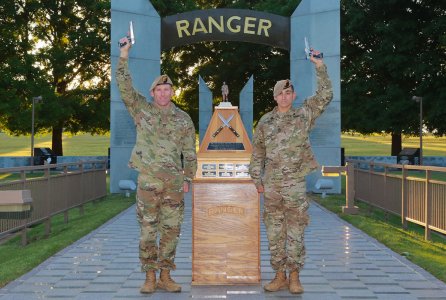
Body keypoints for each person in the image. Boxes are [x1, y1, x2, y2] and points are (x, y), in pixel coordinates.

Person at [116, 36, 197, 294]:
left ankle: (165, 275)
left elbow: (189, 152)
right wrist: (124, 56)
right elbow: (125, 87)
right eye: (159, 90)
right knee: (148, 230)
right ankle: (149, 276)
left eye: (168, 89)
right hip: (148, 181)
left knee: (171, 230)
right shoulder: (141, 110)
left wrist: (188, 178)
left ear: (173, 92)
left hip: (174, 183)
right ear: (152, 93)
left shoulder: (183, 119)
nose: (164, 93)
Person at [249, 50, 332, 294]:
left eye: (288, 93)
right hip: (272, 185)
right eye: (280, 94)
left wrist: (320, 66)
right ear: (274, 97)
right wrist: (257, 179)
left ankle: (294, 275)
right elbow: (258, 153)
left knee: (296, 230)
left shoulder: (303, 115)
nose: (284, 97)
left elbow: (326, 95)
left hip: (295, 184)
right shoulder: (265, 122)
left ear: (293, 95)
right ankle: (279, 275)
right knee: (275, 231)